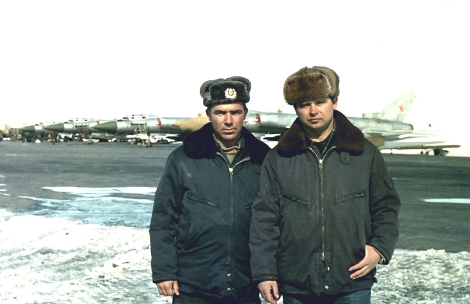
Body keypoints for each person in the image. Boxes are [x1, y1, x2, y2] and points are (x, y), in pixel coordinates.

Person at [249, 66, 401, 304]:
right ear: (295, 109)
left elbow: (386, 206)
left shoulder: (364, 153)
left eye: (320, 102)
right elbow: (265, 218)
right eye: (303, 104)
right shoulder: (279, 158)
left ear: (335, 101)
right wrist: (265, 272)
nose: (312, 111)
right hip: (297, 284)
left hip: (352, 281)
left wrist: (379, 248)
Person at [150, 76, 270, 304]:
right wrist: (165, 270)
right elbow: (164, 219)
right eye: (220, 112)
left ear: (245, 113)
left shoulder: (262, 159)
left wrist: (269, 273)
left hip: (245, 284)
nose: (228, 120)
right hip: (194, 284)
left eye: (235, 112)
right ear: (209, 115)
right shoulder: (184, 158)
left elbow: (274, 220)